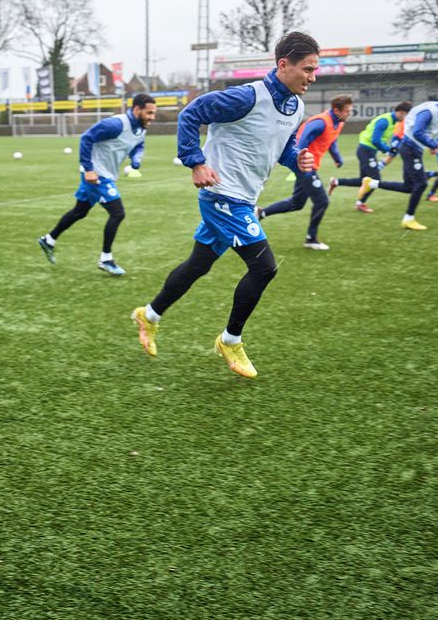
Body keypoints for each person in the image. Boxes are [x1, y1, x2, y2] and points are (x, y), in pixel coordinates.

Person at [131, 31, 319, 379]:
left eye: (314, 70)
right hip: (222, 195)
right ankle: (230, 340)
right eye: (307, 69)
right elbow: (192, 113)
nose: (312, 76)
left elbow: (282, 149)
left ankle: (149, 315)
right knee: (264, 267)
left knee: (197, 265)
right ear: (283, 65)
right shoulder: (247, 97)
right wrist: (195, 161)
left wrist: (298, 160)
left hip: (245, 197)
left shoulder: (296, 107)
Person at [38, 94, 157, 275]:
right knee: (117, 213)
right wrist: (88, 169)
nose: (152, 117)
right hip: (96, 175)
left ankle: (49, 240)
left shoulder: (141, 128)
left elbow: (138, 144)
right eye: (149, 113)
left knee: (80, 211)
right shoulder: (115, 124)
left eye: (153, 113)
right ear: (137, 109)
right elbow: (86, 138)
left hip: (104, 174)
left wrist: (136, 159)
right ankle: (106, 259)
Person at [360, 90, 438, 230]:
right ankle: (408, 219)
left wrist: (432, 145)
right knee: (421, 183)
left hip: (414, 148)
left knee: (409, 187)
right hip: (410, 147)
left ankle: (372, 183)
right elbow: (417, 131)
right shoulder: (432, 110)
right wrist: (435, 144)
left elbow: (426, 132)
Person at [257, 94, 353, 250]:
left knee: (297, 203)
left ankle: (261, 213)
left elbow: (332, 141)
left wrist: (337, 158)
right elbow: (301, 141)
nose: (349, 114)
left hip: (311, 166)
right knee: (322, 201)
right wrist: (299, 161)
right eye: (347, 111)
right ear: (336, 110)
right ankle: (311, 239)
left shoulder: (338, 123)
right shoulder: (320, 122)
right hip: (305, 166)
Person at [335, 101, 412, 214]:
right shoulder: (384, 121)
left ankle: (336, 182)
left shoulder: (393, 121)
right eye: (406, 115)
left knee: (364, 180)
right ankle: (360, 203)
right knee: (375, 180)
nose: (406, 118)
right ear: (401, 112)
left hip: (368, 151)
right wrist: (388, 150)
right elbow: (375, 140)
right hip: (366, 151)